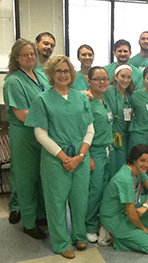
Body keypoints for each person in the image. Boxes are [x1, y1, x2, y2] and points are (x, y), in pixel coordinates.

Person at [25, 55, 94, 259]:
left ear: (71, 74)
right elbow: (40, 134)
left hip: (80, 156)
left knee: (80, 199)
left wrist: (81, 156)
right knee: (56, 201)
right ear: (51, 74)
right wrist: (65, 157)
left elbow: (90, 129)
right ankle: (62, 242)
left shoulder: (81, 97)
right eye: (58, 71)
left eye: (66, 71)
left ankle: (79, 235)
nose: (63, 74)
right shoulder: (42, 100)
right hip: (56, 159)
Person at [3, 38, 47, 237]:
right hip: (24, 135)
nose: (30, 57)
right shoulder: (13, 81)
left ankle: (40, 215)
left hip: (42, 134)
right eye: (25, 54)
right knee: (27, 179)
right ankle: (29, 223)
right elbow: (22, 114)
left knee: (41, 177)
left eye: (32, 54)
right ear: (16, 58)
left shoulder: (40, 75)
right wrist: (54, 117)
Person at [99, 144, 148, 253]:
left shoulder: (137, 171)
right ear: (134, 160)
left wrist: (144, 207)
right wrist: (143, 228)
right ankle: (116, 238)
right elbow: (132, 214)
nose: (146, 165)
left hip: (124, 211)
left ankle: (131, 232)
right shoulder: (126, 179)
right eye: (143, 161)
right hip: (112, 217)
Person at [85, 67, 113, 243]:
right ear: (89, 81)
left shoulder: (105, 99)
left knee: (104, 189)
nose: (102, 82)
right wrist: (87, 156)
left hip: (108, 150)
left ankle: (99, 221)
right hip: (94, 150)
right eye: (98, 79)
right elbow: (82, 130)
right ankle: (88, 225)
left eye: (105, 79)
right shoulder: (87, 100)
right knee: (94, 190)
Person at [103, 64, 135, 176]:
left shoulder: (130, 95)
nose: (125, 80)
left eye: (129, 77)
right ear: (115, 77)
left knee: (122, 168)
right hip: (111, 137)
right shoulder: (108, 91)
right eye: (122, 76)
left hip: (124, 138)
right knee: (111, 169)